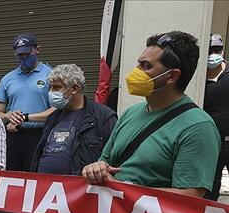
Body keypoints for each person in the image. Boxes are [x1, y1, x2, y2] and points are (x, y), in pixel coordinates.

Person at [83, 31, 221, 197]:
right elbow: (105, 161)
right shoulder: (130, 113)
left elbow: (191, 196)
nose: (136, 71)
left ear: (171, 76)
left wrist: (121, 189)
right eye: (138, 64)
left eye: (146, 66)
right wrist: (95, 170)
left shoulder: (197, 127)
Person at [32, 64, 117, 175]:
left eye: (57, 87)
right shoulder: (53, 117)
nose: (51, 92)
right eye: (50, 87)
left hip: (80, 189)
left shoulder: (103, 117)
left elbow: (114, 158)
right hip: (47, 186)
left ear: (74, 89)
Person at [0, 33, 54, 172]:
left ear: (37, 49)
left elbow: (57, 110)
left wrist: (25, 117)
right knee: (11, 177)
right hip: (13, 136)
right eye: (20, 55)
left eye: (27, 53)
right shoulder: (7, 79)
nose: (24, 58)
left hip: (40, 135)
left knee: (36, 177)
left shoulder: (51, 75)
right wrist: (8, 116)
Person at [205, 33, 228, 200]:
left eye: (217, 49)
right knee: (211, 188)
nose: (213, 54)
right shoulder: (197, 80)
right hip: (211, 143)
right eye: (210, 50)